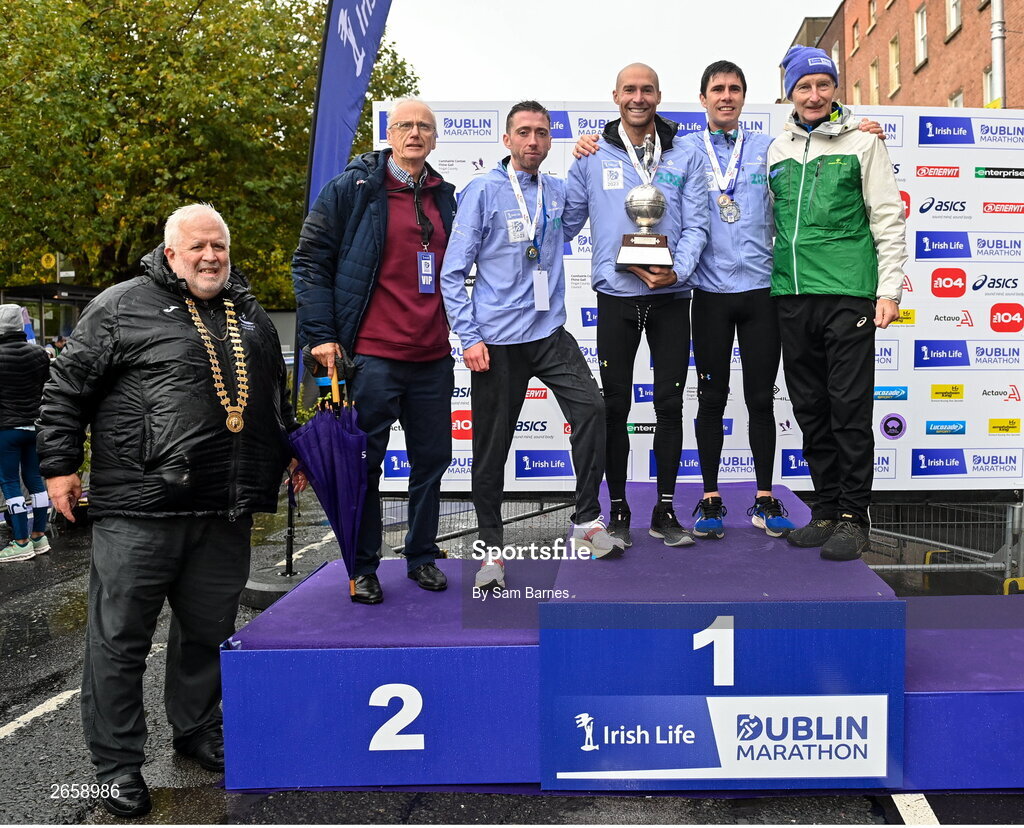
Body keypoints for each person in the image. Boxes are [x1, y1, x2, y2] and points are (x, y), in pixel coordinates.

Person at [37, 204, 302, 818]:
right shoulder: (120, 305)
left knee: (208, 636)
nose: (211, 256)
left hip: (224, 510)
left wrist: (289, 447)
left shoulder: (251, 315)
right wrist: (59, 467)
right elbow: (66, 388)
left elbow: (272, 398)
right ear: (171, 252)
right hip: (138, 511)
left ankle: (198, 730)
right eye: (198, 247)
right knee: (120, 642)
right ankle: (115, 769)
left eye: (220, 247)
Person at [441, 101, 622, 591]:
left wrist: (590, 154)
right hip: (496, 343)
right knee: (491, 451)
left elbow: (585, 210)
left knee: (591, 409)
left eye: (542, 133)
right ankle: (491, 552)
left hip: (548, 334)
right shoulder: (482, 190)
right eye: (523, 133)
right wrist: (469, 336)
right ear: (506, 140)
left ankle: (586, 521)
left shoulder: (557, 191)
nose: (533, 142)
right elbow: (453, 273)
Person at [292, 99, 457, 605]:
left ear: (434, 138)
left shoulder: (446, 197)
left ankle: (422, 555)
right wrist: (320, 334)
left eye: (423, 127)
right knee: (363, 464)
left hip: (432, 356)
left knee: (433, 461)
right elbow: (309, 261)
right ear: (389, 133)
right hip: (372, 357)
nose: (414, 133)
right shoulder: (354, 188)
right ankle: (362, 567)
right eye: (405, 125)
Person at [769, 46, 906, 561]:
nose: (813, 95)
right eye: (804, 86)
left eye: (823, 85)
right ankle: (825, 509)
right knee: (809, 408)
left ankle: (854, 517)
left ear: (835, 91)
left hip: (848, 291)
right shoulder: (777, 150)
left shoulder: (863, 143)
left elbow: (888, 217)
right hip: (792, 294)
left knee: (848, 408)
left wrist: (888, 289)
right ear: (790, 92)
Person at [564, 63, 709, 549]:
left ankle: (665, 510)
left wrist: (678, 270)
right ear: (615, 96)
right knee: (613, 407)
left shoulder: (685, 150)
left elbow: (698, 224)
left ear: (659, 96)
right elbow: (564, 222)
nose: (639, 97)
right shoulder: (592, 154)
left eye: (647, 89)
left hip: (670, 298)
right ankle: (619, 509)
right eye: (630, 89)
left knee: (669, 405)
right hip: (617, 298)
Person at [0, 304, 52, 562]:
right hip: (35, 426)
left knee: (10, 483)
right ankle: (39, 536)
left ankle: (20, 543)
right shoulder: (39, 354)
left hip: (6, 430)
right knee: (35, 481)